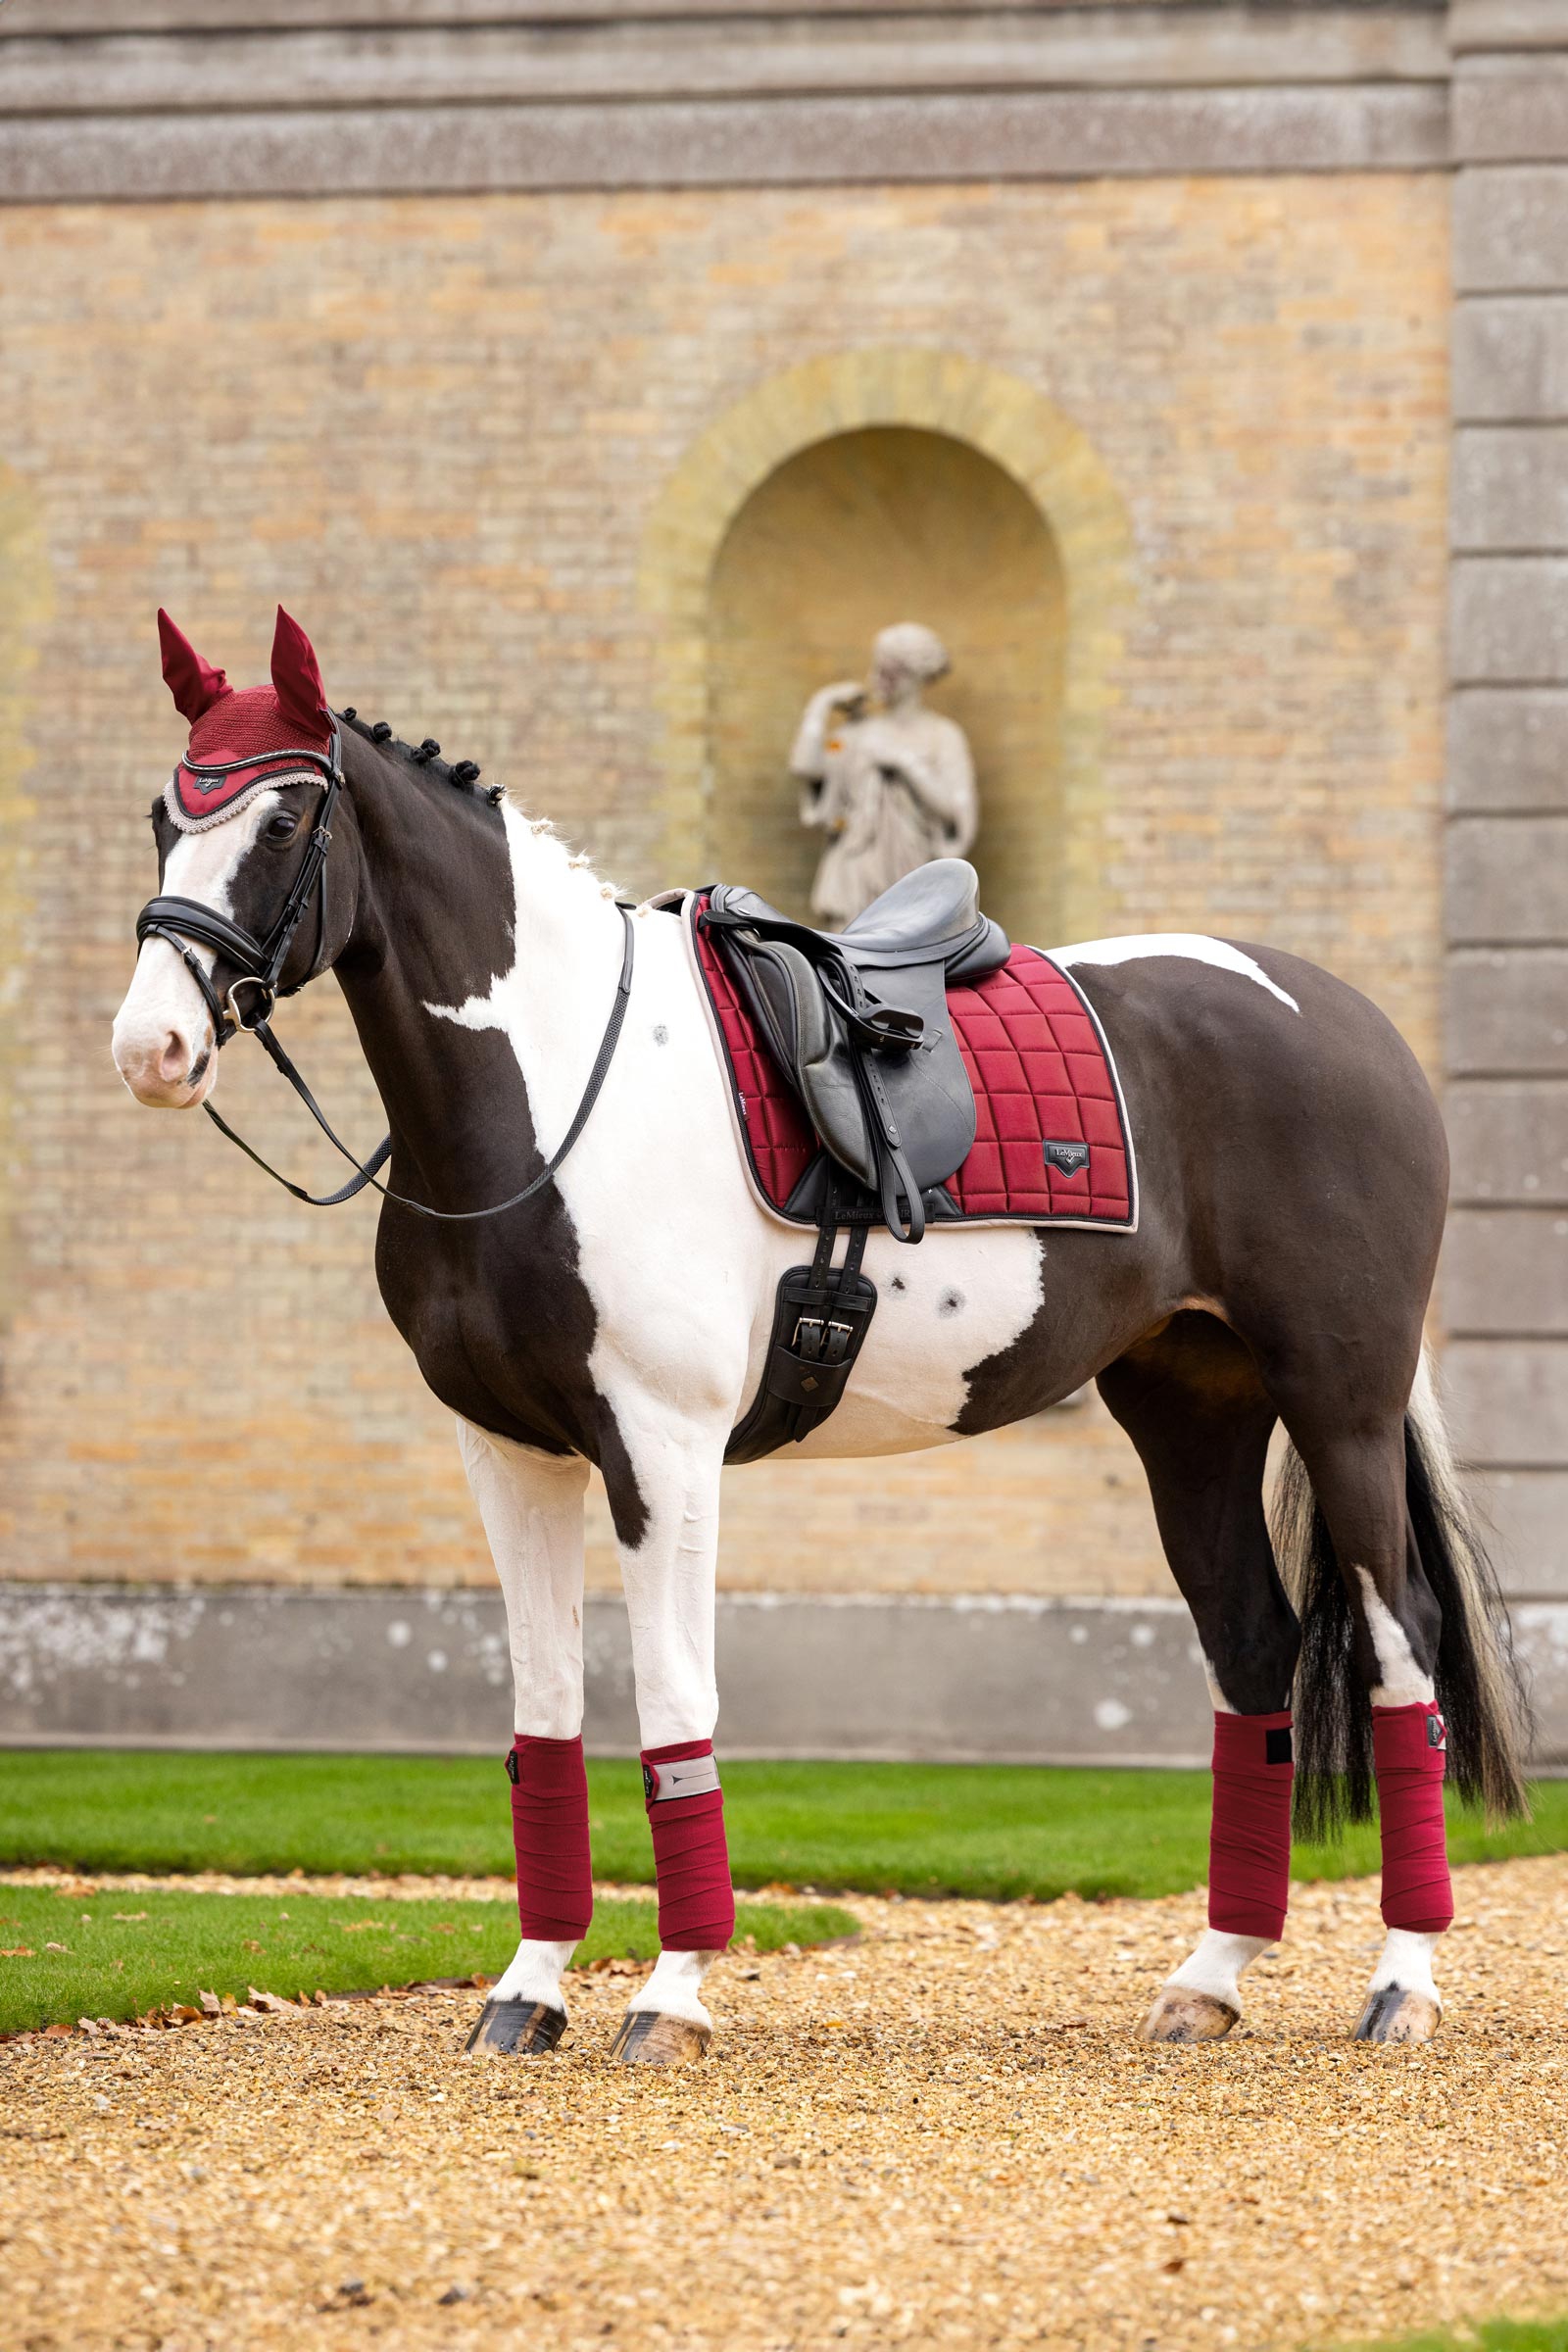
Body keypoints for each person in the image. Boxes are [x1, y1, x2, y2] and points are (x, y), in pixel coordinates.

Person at [791, 622, 977, 929]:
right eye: (879, 667)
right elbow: (806, 767)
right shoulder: (856, 733)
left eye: (890, 670)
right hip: (855, 865)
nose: (878, 678)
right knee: (848, 956)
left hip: (913, 869)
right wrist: (819, 706)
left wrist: (905, 764)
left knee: (907, 957)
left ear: (913, 675)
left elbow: (956, 812)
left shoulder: (943, 735)